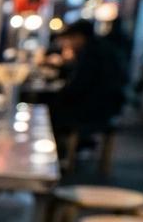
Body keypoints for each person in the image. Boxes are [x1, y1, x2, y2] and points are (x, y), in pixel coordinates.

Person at [50, 20, 126, 160]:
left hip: (97, 109)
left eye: (70, 39)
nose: (69, 43)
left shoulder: (91, 52)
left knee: (51, 111)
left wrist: (61, 90)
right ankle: (78, 146)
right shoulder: (101, 47)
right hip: (109, 106)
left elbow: (79, 85)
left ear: (79, 36)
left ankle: (59, 155)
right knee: (58, 104)